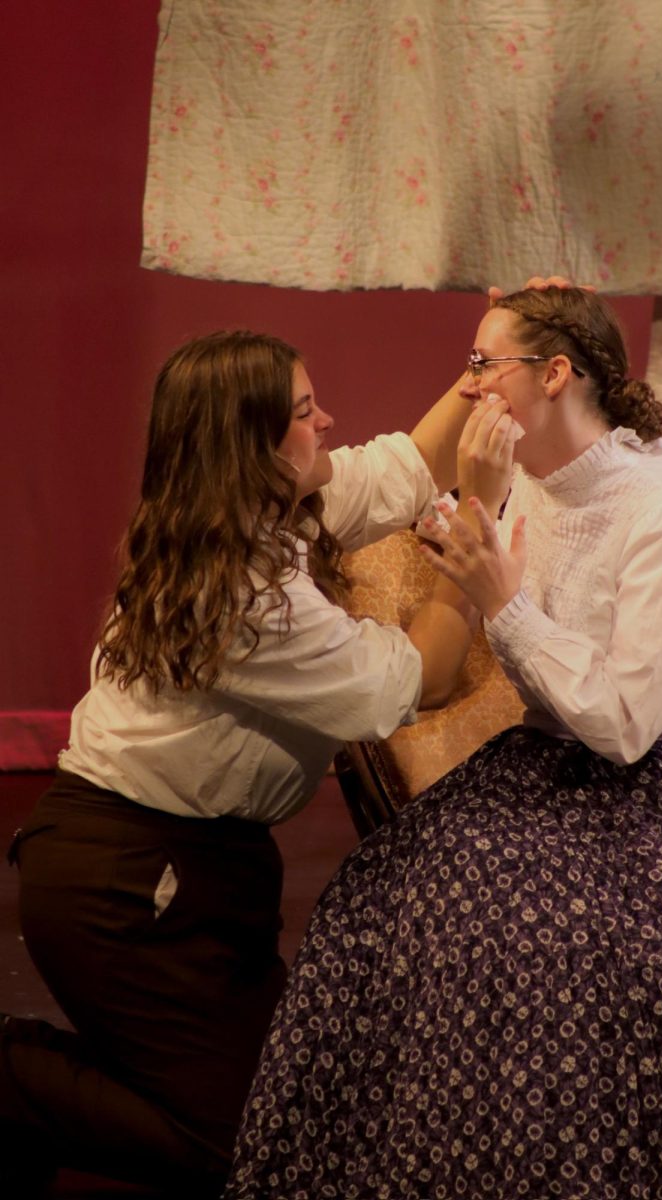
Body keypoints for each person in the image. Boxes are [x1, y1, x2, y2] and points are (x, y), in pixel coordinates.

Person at [226, 287, 662, 1200]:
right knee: (388, 911)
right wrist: (469, 542)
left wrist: (501, 600)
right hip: (539, 763)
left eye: (483, 366)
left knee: (645, 956)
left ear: (554, 375)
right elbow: (432, 518)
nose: (469, 386)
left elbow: (623, 727)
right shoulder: (533, 479)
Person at [0, 328, 519, 1197]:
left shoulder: (262, 508)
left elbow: (406, 464)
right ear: (252, 448)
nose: (328, 420)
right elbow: (417, 679)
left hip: (196, 868)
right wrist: (477, 528)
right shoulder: (239, 587)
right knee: (236, 1150)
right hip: (126, 883)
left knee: (294, 1114)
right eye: (305, 412)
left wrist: (488, 360)